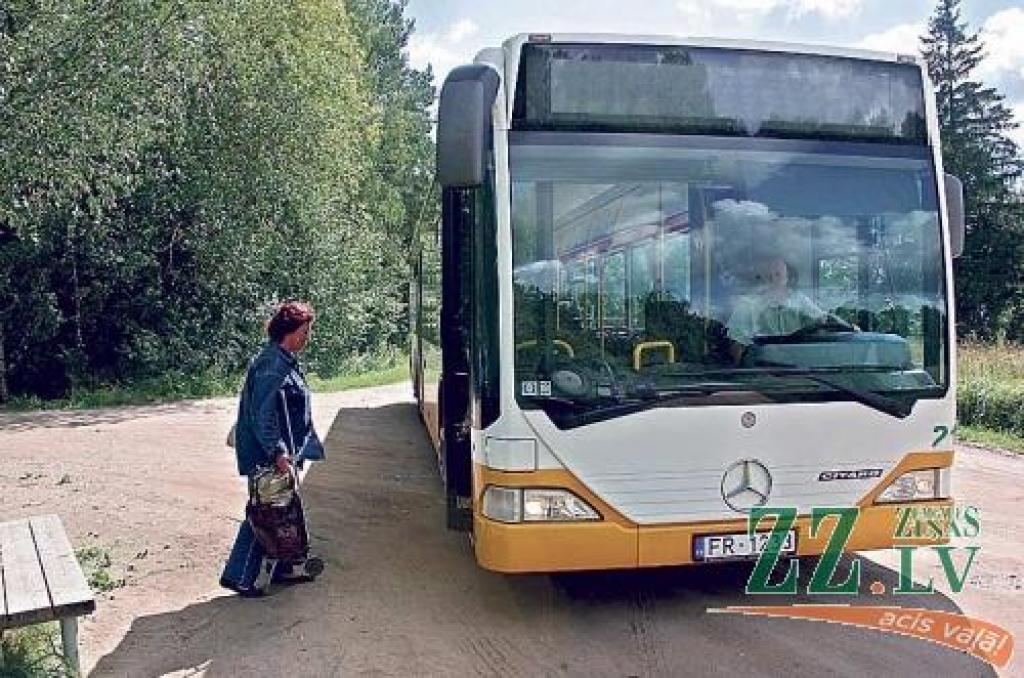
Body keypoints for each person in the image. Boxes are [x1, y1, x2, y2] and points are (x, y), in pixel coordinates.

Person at [220, 300, 325, 596]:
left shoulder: (284, 358)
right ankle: (240, 575)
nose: (308, 337)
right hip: (267, 453)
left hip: (283, 451)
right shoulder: (272, 365)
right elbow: (262, 413)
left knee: (279, 509)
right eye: (305, 331)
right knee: (266, 511)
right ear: (289, 332)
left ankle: (283, 567)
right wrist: (277, 451)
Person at [726, 256, 829, 362]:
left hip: (800, 367)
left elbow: (821, 321)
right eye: (768, 276)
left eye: (777, 275)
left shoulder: (799, 299)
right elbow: (736, 347)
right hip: (761, 369)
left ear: (787, 278)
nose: (773, 280)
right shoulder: (747, 305)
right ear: (759, 279)